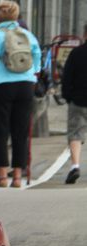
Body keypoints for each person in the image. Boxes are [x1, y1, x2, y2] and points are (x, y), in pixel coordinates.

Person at [0, 0, 41, 188]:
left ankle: (2, 176)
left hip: (1, 85)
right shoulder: (28, 35)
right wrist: (32, 78)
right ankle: (18, 176)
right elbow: (37, 62)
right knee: (20, 131)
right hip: (26, 85)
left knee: (0, 130)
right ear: (16, 16)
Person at [61, 23, 87, 183]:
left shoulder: (76, 53)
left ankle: (75, 166)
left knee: (75, 134)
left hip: (78, 100)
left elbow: (67, 77)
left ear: (85, 34)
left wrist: (68, 96)